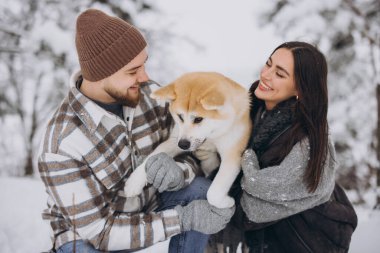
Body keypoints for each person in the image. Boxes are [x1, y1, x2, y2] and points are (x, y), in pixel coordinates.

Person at [38, 9, 234, 253]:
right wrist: (182, 219)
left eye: (144, 64)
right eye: (133, 71)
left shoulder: (151, 96)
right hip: (89, 235)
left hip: (147, 204)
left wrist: (179, 171)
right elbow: (101, 232)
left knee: (203, 192)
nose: (145, 77)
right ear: (100, 75)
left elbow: (191, 147)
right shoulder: (61, 144)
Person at [207, 41, 357, 253]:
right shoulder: (250, 109)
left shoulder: (307, 141)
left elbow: (251, 212)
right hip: (266, 240)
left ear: (300, 89)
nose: (266, 75)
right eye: (268, 64)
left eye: (280, 74)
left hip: (308, 241)